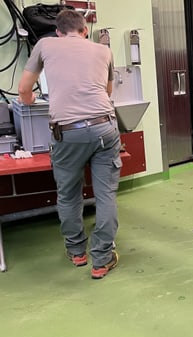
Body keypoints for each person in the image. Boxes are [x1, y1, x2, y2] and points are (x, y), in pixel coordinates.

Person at [18, 10, 121, 279]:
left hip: (67, 132)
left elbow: (23, 90)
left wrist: (29, 102)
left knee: (68, 194)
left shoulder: (45, 44)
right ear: (85, 30)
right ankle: (102, 258)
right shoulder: (104, 50)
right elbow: (108, 92)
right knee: (106, 194)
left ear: (58, 32)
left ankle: (77, 252)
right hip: (104, 127)